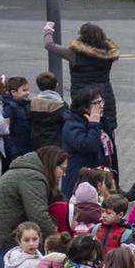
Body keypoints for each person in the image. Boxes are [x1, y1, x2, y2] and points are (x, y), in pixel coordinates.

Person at [43, 21, 120, 181]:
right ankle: (112, 180)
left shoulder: (74, 54)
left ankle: (85, 175)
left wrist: (48, 30)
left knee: (84, 133)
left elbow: (50, 46)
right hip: (105, 98)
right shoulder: (107, 56)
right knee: (108, 140)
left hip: (83, 100)